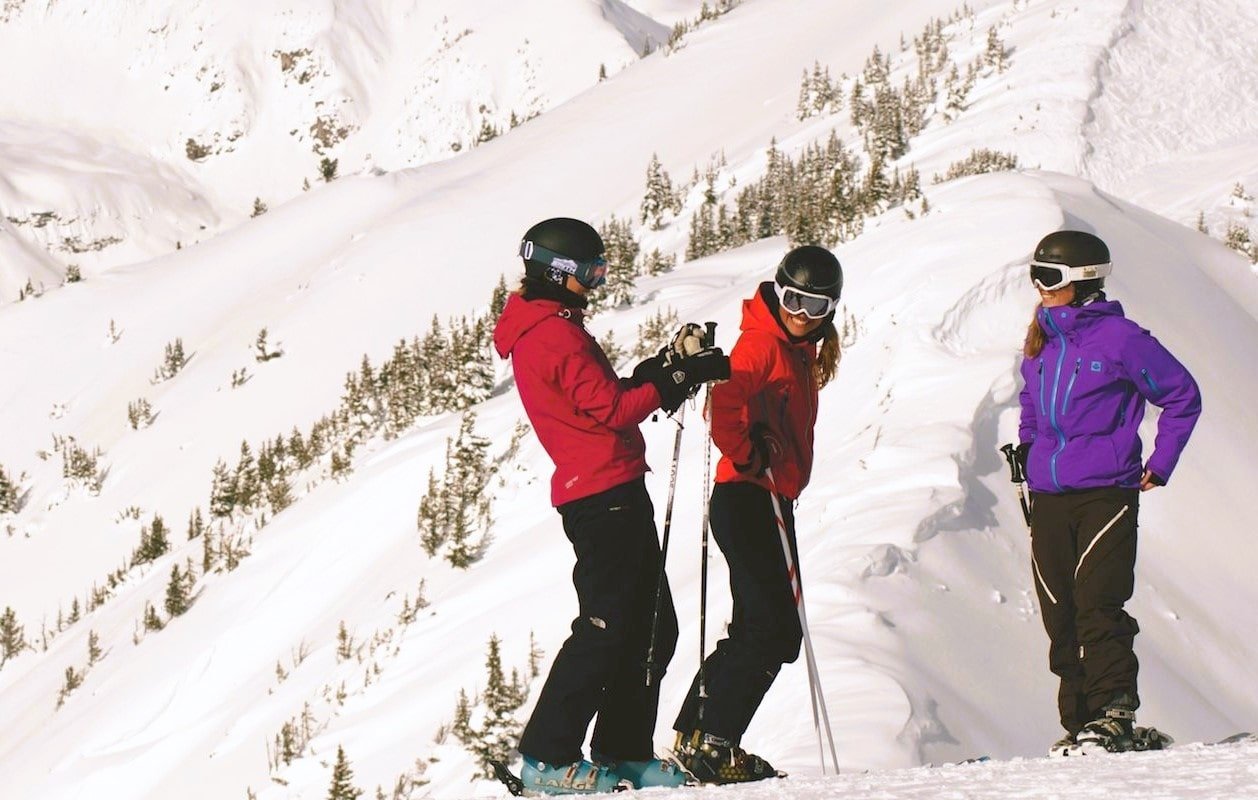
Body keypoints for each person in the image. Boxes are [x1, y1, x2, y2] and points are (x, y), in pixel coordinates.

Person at [492, 217, 730, 793]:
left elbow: (604, 396)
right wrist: (680, 376)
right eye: (592, 271)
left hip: (613, 490)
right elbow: (616, 409)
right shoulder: (553, 334)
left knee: (651, 629)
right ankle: (546, 760)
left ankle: (622, 751)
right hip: (601, 498)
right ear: (560, 271)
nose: (598, 280)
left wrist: (666, 370)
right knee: (606, 628)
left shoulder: (555, 326)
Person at [1015, 230, 1201, 755]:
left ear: (1083, 279)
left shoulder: (1121, 338)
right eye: (1034, 274)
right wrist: (1028, 448)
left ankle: (1113, 712)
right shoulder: (1042, 339)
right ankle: (1080, 723)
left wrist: (1161, 463)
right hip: (1049, 494)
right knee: (1059, 612)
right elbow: (1031, 401)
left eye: (1049, 276)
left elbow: (1182, 395)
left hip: (1106, 490)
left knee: (1098, 602)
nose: (1039, 286)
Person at [670, 245, 843, 783]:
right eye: (793, 300)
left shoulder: (796, 351)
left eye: (815, 306)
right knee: (772, 627)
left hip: (766, 497)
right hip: (749, 494)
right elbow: (723, 403)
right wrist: (748, 454)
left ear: (830, 310)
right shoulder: (762, 344)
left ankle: (698, 735)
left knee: (762, 625)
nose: (802, 314)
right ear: (777, 293)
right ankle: (713, 743)